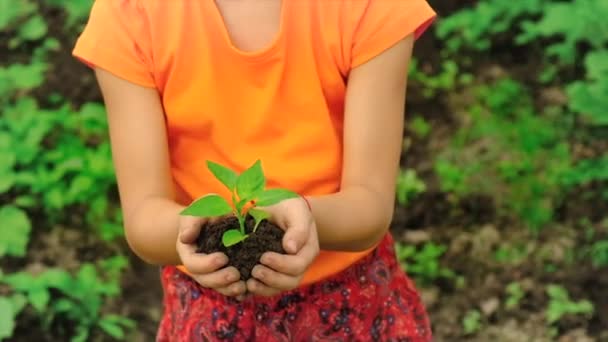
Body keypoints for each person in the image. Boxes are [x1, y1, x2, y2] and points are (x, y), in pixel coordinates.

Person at [73, 0, 436, 340]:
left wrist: (306, 219)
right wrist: (198, 231)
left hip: (353, 299)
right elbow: (144, 219)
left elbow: (369, 205)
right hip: (211, 306)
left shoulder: (368, 8)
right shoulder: (132, 15)